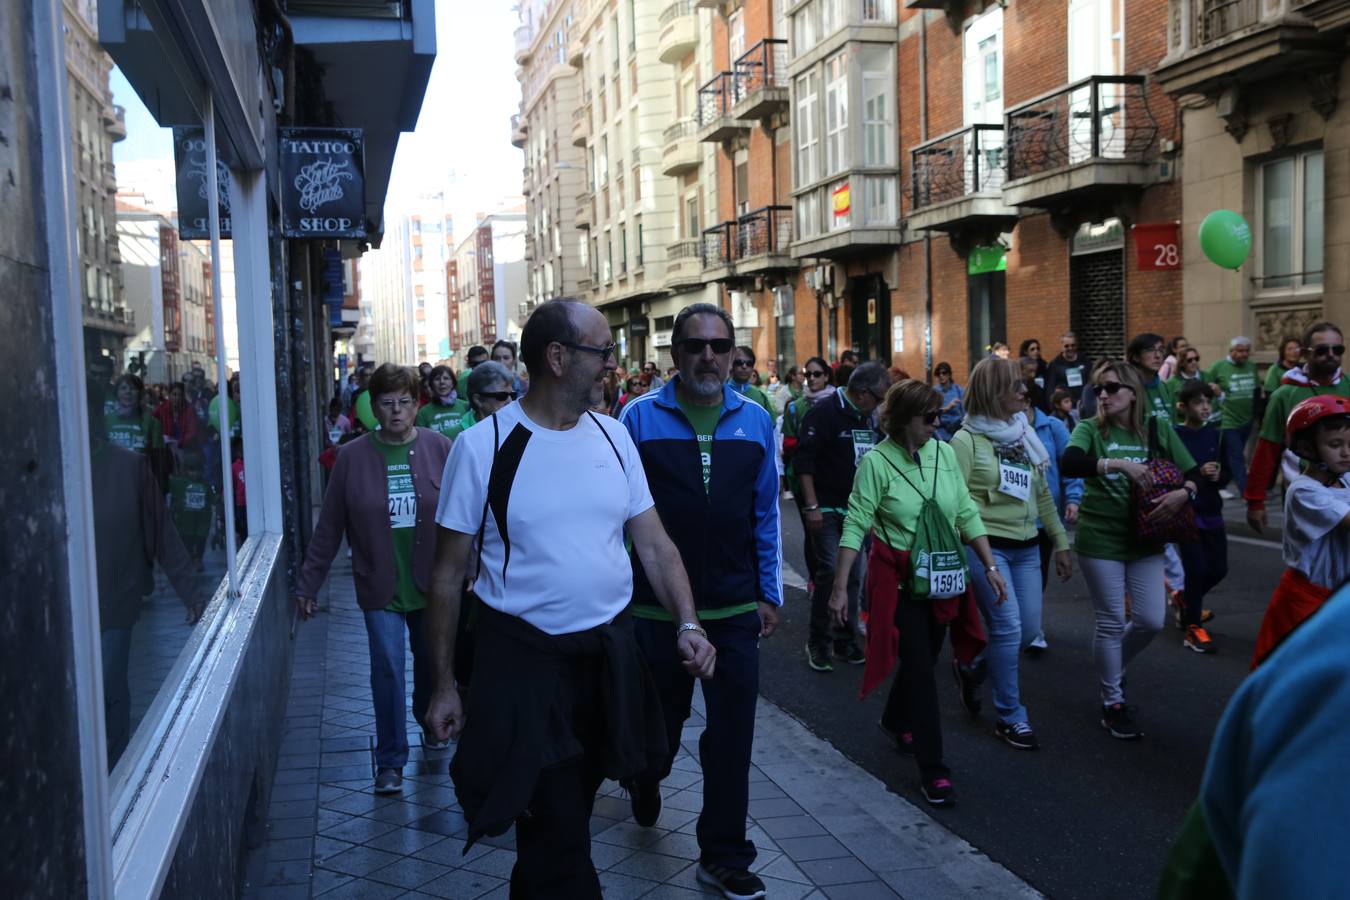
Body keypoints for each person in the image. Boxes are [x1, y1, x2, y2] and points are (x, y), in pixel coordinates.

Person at [421, 299, 715, 897]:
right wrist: (445, 684)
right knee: (560, 839)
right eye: (601, 351)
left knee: (564, 821)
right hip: (525, 670)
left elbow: (655, 545)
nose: (612, 364)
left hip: (609, 659)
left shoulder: (613, 437)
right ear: (557, 357)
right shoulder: (483, 448)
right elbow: (448, 576)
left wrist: (690, 623)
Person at [618, 302, 781, 899]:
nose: (708, 357)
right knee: (659, 734)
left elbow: (765, 512)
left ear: (734, 353)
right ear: (675, 355)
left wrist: (768, 591)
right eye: (695, 346)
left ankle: (724, 856)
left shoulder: (757, 419)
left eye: (719, 346)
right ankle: (644, 776)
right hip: (653, 612)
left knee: (732, 737)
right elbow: (619, 520)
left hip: (734, 610)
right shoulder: (637, 418)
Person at [830, 379, 1006, 806]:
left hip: (944, 575)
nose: (937, 423)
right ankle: (934, 769)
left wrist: (989, 564)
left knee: (924, 658)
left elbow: (964, 510)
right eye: (929, 417)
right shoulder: (876, 463)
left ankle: (894, 718)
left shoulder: (944, 454)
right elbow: (856, 522)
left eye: (940, 416)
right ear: (903, 418)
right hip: (901, 582)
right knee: (924, 675)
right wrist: (840, 587)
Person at [294, 363, 454, 794]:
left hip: (432, 581)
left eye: (405, 401)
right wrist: (309, 584)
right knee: (386, 669)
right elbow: (329, 527)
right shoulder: (352, 457)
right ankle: (390, 760)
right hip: (379, 581)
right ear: (373, 407)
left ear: (417, 404)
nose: (397, 411)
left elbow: (464, 517)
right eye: (387, 403)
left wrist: (471, 569)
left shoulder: (442, 447)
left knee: (430, 663)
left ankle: (430, 721)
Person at [1060, 361, 1201, 740]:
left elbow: (1194, 472)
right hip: (1100, 538)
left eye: (1111, 388)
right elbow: (1070, 463)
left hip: (1146, 538)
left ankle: (1112, 669)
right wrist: (1117, 464)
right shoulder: (1090, 429)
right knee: (1109, 621)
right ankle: (1113, 701)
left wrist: (1182, 493)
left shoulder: (1156, 429)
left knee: (1151, 620)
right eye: (1098, 389)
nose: (1103, 395)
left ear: (1133, 394)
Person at [950, 359, 1072, 750]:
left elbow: (1041, 494)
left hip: (1028, 548)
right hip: (988, 548)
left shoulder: (1022, 435)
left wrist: (1061, 541)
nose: (1025, 392)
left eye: (1024, 386)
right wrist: (979, 553)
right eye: (1016, 387)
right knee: (1007, 627)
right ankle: (1011, 715)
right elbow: (955, 504)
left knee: (1028, 629)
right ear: (992, 392)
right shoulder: (965, 441)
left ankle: (973, 672)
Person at [89, 381, 202, 764]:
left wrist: (192, 594)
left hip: (115, 600)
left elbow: (162, 531)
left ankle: (113, 775)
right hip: (58, 614)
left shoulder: (128, 467)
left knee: (108, 687)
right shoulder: (41, 470)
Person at [796, 363, 889, 672]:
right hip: (827, 509)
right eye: (879, 397)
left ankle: (844, 638)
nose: (880, 404)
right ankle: (818, 641)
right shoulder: (823, 413)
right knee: (831, 570)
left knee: (853, 575)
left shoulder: (868, 417)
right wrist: (812, 506)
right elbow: (803, 462)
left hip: (858, 510)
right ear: (862, 393)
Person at [1250, 394, 1350, 668]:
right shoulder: (1304, 491)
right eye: (1335, 445)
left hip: (1340, 598)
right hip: (1308, 599)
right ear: (1307, 447)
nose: (1346, 452)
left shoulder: (1346, 479)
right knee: (1298, 678)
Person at [1246, 322, 1350, 535]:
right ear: (1305, 353)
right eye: (1322, 350)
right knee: (1309, 559)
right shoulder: (1285, 395)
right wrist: (1255, 501)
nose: (1331, 355)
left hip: (1347, 486)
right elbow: (1267, 448)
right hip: (1305, 490)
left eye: (1337, 349)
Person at [1170, 381, 1229, 654]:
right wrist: (1195, 474)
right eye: (1198, 403)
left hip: (1211, 508)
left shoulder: (1216, 435)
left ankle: (1185, 599)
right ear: (1183, 407)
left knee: (1218, 568)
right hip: (1187, 511)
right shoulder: (1174, 434)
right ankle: (1192, 627)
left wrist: (1219, 476)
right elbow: (1169, 474)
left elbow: (1226, 470)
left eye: (1208, 402)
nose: (1205, 407)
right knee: (1195, 570)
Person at [1024, 395, 1082, 652]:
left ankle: (1033, 627)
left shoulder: (1053, 427)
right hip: (1012, 518)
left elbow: (1069, 466)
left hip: (1045, 516)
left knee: (1037, 575)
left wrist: (1073, 498)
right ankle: (1020, 624)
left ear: (1028, 399)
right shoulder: (1000, 427)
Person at [781, 356, 835, 591]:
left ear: (826, 377)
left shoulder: (837, 403)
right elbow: (789, 443)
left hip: (833, 479)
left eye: (816, 374)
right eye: (808, 374)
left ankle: (835, 582)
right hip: (803, 477)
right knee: (812, 532)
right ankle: (815, 579)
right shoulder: (796, 406)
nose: (811, 379)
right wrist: (808, 443)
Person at [1207, 337, 1259, 496]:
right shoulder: (1219, 367)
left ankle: (1220, 484)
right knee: (1237, 456)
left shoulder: (1251, 367)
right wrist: (1218, 394)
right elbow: (1207, 389)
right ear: (1232, 351)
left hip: (1246, 420)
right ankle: (1246, 492)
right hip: (1227, 420)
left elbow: (1256, 390)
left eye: (1247, 351)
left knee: (1230, 458)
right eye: (1241, 351)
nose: (1244, 354)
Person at [440, 360, 517, 442]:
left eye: (512, 395)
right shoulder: (448, 438)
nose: (510, 401)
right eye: (502, 396)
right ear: (478, 400)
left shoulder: (516, 431)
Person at [168, 450, 217, 569]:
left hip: (202, 521)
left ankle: (198, 559)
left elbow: (213, 499)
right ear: (185, 470)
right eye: (191, 470)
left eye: (197, 470)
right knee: (186, 542)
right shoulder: (179, 483)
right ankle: (190, 558)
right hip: (185, 522)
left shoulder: (205, 484)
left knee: (201, 540)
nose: (194, 473)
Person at [415, 365, 468, 437]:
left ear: (453, 383)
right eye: (437, 379)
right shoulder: (423, 413)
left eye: (446, 378)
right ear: (431, 384)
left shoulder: (466, 406)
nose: (442, 382)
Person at [1046, 332, 1093, 408]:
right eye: (1066, 346)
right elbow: (1050, 389)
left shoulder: (1085, 360)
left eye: (1073, 345)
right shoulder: (1055, 364)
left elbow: (1091, 380)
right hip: (1066, 407)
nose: (1070, 348)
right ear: (1062, 347)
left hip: (1084, 404)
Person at [727, 345, 775, 415]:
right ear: (731, 364)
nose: (744, 366)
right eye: (739, 363)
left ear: (753, 368)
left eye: (749, 363)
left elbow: (770, 424)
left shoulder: (760, 396)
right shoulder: (721, 394)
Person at [932, 362, 965, 441]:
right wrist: (947, 407)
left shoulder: (959, 390)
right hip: (941, 433)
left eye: (944, 373)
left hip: (957, 432)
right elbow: (932, 412)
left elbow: (965, 411)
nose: (941, 376)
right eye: (938, 374)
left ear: (949, 374)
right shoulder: (934, 391)